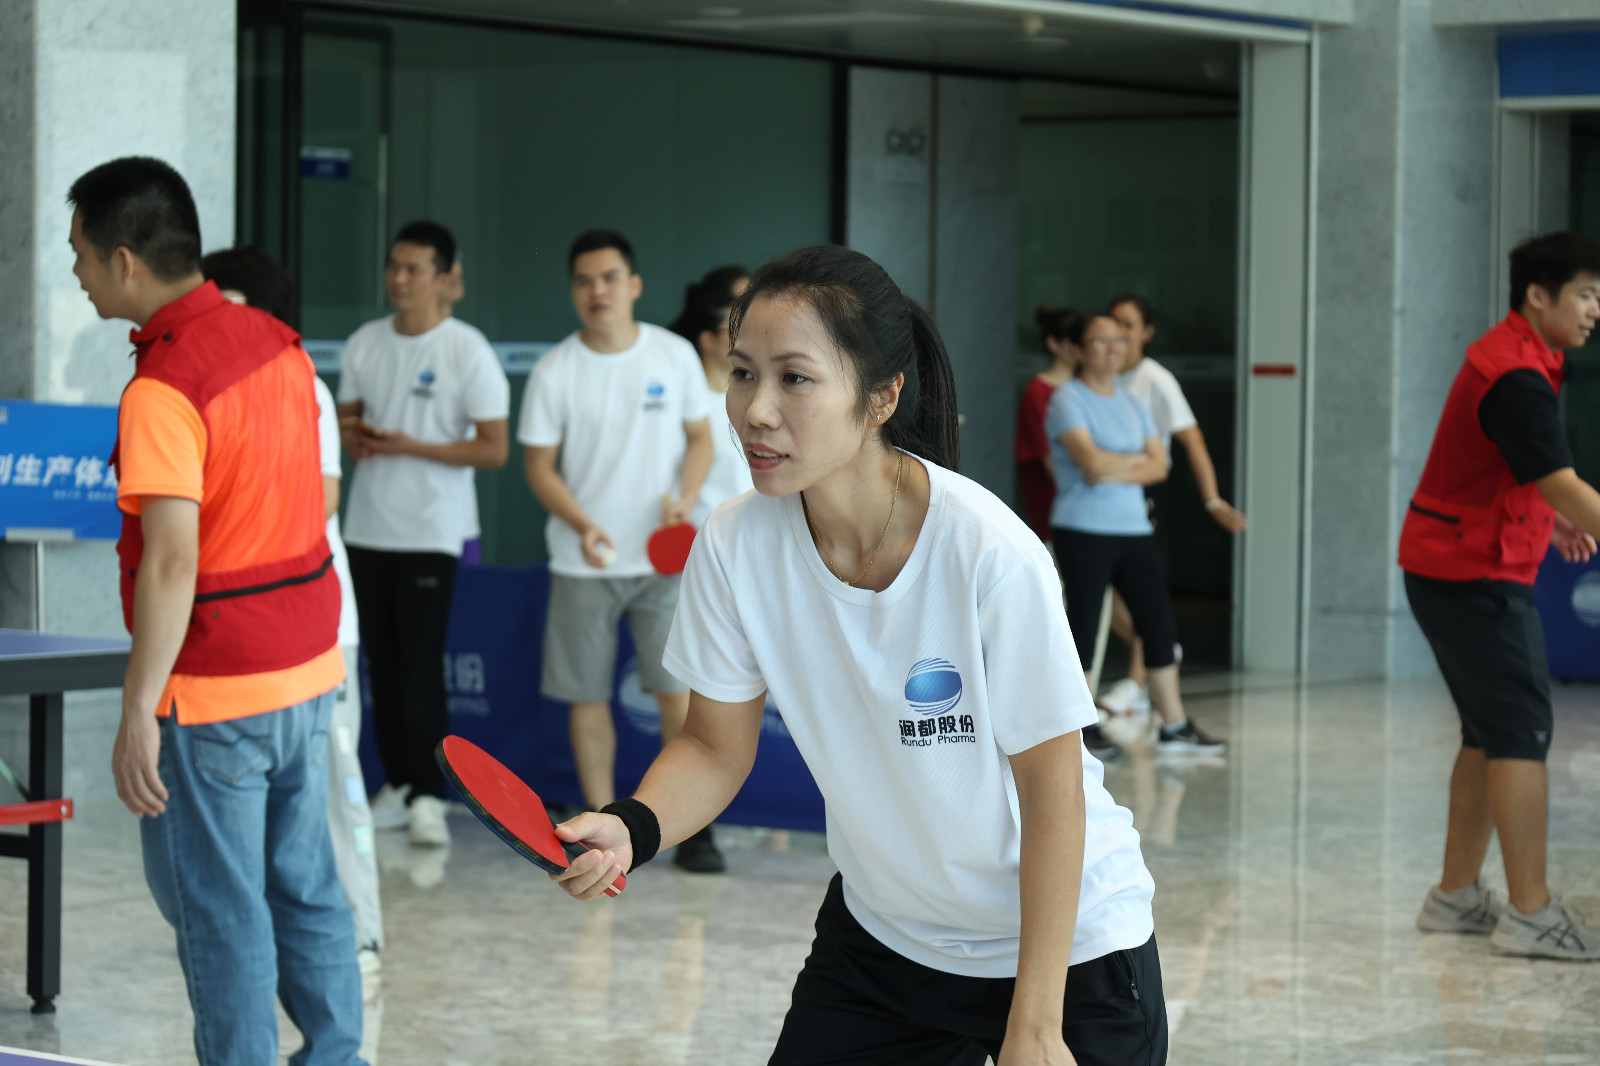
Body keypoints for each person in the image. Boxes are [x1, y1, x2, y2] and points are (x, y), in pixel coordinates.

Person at [551, 245, 1167, 1065]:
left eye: (795, 379)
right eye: (743, 373)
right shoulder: (734, 544)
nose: (756, 410)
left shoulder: (989, 552)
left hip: (1068, 952)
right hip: (886, 943)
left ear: (881, 397)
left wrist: (1035, 1022)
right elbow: (713, 746)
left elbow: (1053, 791)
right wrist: (634, 826)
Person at [72, 157, 364, 1065]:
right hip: (307, 665)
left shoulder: (165, 385)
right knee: (307, 886)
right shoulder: (279, 345)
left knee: (220, 907)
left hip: (216, 692)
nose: (76, 273)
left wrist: (137, 708)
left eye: (79, 254)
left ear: (125, 262)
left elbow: (171, 560)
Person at [1403, 231, 1600, 961]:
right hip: (1470, 576)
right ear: (1538, 296)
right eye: (1585, 294)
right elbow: (1562, 483)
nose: (1595, 310)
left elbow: (1512, 471)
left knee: (1489, 733)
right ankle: (1531, 913)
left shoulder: (1523, 356)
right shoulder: (1515, 373)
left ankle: (1456, 896)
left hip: (1455, 564)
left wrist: (1550, 519)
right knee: (1521, 732)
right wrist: (1562, 508)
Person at [200, 246, 385, 982]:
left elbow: (323, 495)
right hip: (251, 639)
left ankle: (362, 932)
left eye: (220, 303)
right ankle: (286, 942)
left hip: (320, 632)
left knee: (337, 790)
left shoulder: (297, 375)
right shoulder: (208, 381)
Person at [520, 230, 719, 872]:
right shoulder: (555, 370)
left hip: (663, 563)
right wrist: (581, 523)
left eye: (609, 278)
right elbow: (539, 467)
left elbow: (700, 440)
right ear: (573, 292)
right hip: (585, 562)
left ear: (633, 285)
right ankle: (599, 825)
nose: (597, 291)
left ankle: (689, 825)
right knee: (587, 697)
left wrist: (684, 499)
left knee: (676, 696)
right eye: (584, 281)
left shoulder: (673, 355)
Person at [337, 221, 511, 847]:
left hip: (432, 532)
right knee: (380, 666)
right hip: (367, 527)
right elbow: (347, 421)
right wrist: (357, 438)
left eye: (413, 269)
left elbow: (494, 449)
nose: (399, 279)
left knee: (419, 667)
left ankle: (431, 795)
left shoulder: (467, 349)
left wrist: (411, 446)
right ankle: (398, 785)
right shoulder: (365, 342)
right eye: (394, 266)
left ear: (445, 279)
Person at [1047, 313, 1225, 757]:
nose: (1113, 349)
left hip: (1134, 528)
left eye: (1120, 341)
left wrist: (1112, 467)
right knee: (1085, 626)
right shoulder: (1066, 400)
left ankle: (1174, 725)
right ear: (1078, 350)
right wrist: (1130, 463)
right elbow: (1090, 462)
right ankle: (1079, 726)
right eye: (1101, 341)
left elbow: (1160, 466)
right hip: (1083, 527)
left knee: (1158, 625)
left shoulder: (1132, 402)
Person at [1098, 295, 1246, 716]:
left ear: (1146, 332)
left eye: (1129, 325)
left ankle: (1138, 680)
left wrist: (1211, 499)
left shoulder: (1156, 380)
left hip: (1143, 497)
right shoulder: (1101, 375)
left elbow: (1191, 439)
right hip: (1103, 498)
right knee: (1105, 595)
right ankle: (1159, 646)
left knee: (1139, 590)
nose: (1120, 334)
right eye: (1114, 324)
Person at [668, 264, 754, 528]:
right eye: (737, 325)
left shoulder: (760, 401)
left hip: (754, 536)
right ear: (707, 338)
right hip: (699, 534)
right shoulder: (680, 406)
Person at [1016, 306, 1083, 542]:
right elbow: (1047, 457)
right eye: (1075, 341)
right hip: (1055, 500)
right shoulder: (1037, 392)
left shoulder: (1086, 388)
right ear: (1055, 344)